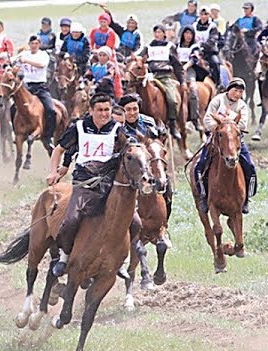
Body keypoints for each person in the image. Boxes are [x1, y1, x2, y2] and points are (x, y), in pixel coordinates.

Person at [46, 92, 123, 277]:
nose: (104, 114)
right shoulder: (79, 127)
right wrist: (54, 171)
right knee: (71, 219)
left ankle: (121, 260)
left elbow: (130, 149)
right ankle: (64, 257)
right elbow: (58, 150)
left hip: (108, 182)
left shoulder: (117, 129)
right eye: (100, 110)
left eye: (107, 110)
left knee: (133, 221)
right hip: (84, 181)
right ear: (91, 110)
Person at [194, 78, 256, 214]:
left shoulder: (242, 106)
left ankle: (246, 199)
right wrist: (219, 127)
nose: (238, 94)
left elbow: (243, 124)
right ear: (229, 90)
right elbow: (207, 118)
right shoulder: (217, 100)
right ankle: (204, 196)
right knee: (199, 165)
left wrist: (229, 124)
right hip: (217, 138)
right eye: (235, 90)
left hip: (235, 139)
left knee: (250, 166)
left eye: (240, 92)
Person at [138, 24, 186, 140]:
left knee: (172, 99)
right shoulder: (148, 46)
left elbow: (177, 65)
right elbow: (139, 58)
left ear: (164, 33)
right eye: (155, 32)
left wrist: (182, 81)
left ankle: (173, 123)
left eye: (159, 32)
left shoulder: (170, 46)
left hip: (165, 76)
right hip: (150, 76)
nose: (157, 34)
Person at [17, 35, 57, 147]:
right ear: (29, 45)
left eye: (36, 43)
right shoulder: (24, 54)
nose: (34, 46)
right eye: (32, 43)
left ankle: (48, 136)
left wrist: (26, 61)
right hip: (26, 87)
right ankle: (17, 132)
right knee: (13, 109)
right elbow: (12, 61)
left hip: (40, 87)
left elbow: (42, 65)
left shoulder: (43, 55)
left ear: (39, 44)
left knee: (51, 110)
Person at [177, 25, 203, 130]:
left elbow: (194, 58)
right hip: (176, 70)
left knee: (193, 90)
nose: (188, 36)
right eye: (186, 33)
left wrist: (186, 66)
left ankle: (194, 118)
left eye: (191, 34)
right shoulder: (176, 45)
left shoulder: (195, 47)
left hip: (189, 70)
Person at [194, 6, 221, 89]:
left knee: (215, 62)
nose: (203, 16)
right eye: (201, 14)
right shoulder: (194, 25)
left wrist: (202, 47)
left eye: (205, 14)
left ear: (209, 15)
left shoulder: (213, 26)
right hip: (195, 52)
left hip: (209, 52)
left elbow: (212, 40)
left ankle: (218, 83)